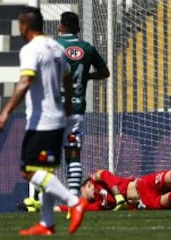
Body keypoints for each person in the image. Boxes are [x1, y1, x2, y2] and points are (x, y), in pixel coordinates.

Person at [0, 6, 87, 235]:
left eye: (19, 23)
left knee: (28, 171)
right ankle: (47, 222)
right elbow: (67, 77)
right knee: (46, 171)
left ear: (24, 26)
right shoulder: (55, 47)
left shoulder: (30, 49)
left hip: (42, 121)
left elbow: (25, 82)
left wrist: (5, 112)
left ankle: (74, 202)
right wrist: (66, 105)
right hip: (57, 117)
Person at [58, 11, 110, 196]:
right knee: (73, 154)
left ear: (60, 26)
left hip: (55, 111)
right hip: (77, 111)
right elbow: (105, 72)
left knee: (46, 155)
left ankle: (38, 200)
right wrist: (88, 76)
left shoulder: (54, 47)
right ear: (78, 28)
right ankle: (74, 197)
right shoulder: (87, 48)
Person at [56, 168, 171, 211]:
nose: (82, 196)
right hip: (145, 202)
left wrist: (118, 197)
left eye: (82, 191)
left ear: (87, 185)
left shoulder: (97, 177)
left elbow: (109, 177)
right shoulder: (98, 205)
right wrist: (52, 208)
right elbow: (77, 208)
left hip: (143, 185)